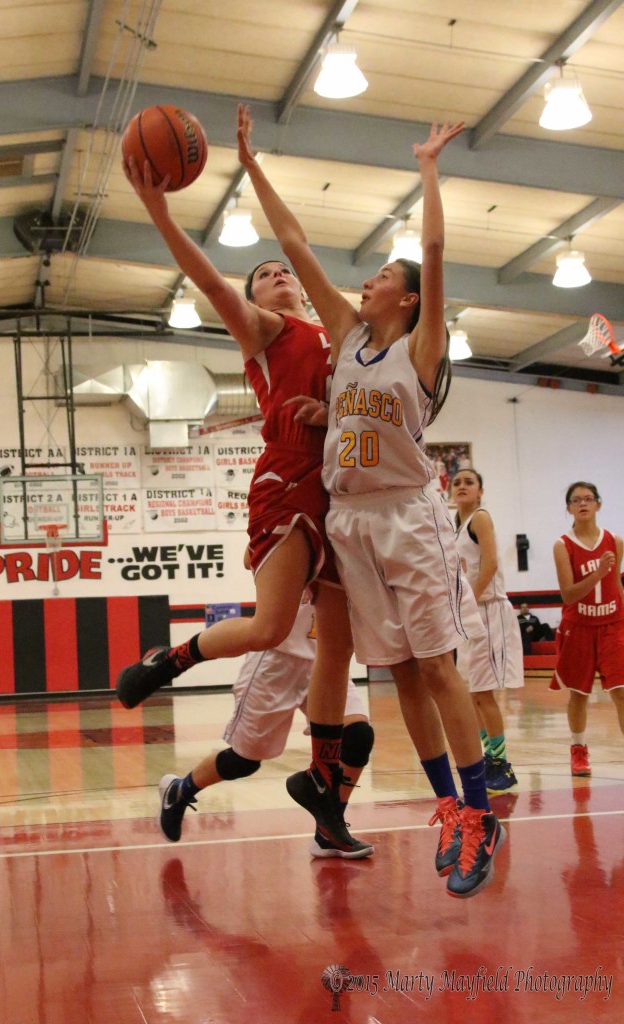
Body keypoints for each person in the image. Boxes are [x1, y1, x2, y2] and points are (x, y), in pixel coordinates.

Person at [237, 104, 506, 898]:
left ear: (410, 300)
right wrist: (250, 166)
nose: (372, 277)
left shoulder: (419, 347)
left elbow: (430, 247)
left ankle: (479, 811)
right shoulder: (348, 331)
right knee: (399, 678)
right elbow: (293, 246)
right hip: (350, 520)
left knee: (437, 667)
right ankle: (448, 810)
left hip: (404, 512)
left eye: (386, 276)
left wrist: (427, 167)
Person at [116, 145, 370, 857]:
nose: (278, 275)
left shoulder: (339, 329)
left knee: (339, 648)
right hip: (288, 479)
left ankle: (324, 798)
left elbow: (304, 247)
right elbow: (206, 279)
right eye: (262, 275)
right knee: (270, 626)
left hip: (341, 490)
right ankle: (167, 662)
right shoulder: (267, 330)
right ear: (254, 300)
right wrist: (159, 213)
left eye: (282, 269)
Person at [158, 592, 375, 859]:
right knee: (244, 761)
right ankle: (180, 790)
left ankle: (329, 829)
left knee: (357, 737)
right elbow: (251, 559)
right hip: (276, 660)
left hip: (325, 657)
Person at [450, 467, 523, 794]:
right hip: (471, 614)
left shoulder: (480, 518)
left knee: (484, 693)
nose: (462, 486)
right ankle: (487, 758)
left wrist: (469, 604)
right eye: (457, 482)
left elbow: (490, 563)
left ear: (480, 491)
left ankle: (501, 763)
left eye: (469, 482)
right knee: (469, 694)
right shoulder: (455, 526)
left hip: (489, 610)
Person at [550, 481, 624, 777]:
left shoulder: (615, 541)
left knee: (621, 691)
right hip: (579, 626)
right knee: (579, 693)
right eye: (576, 500)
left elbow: (616, 584)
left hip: (612, 623)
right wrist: (597, 574)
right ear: (568, 507)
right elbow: (568, 594)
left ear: (598, 505)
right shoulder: (562, 544)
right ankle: (579, 750)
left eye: (588, 499)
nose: (583, 504)